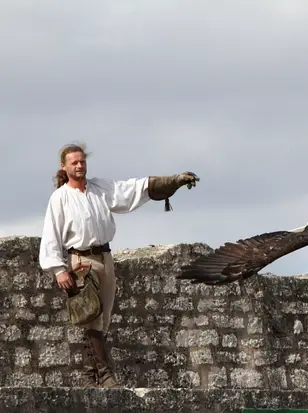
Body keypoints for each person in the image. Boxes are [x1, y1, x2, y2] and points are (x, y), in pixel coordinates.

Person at [38, 143, 199, 388]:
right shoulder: (60, 198)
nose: (80, 165)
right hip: (81, 261)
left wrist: (173, 181)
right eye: (75, 162)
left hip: (105, 257)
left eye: (82, 161)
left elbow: (129, 190)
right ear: (64, 166)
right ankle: (105, 375)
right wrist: (58, 269)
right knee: (90, 315)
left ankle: (89, 376)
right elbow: (52, 234)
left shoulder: (98, 188)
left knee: (103, 319)